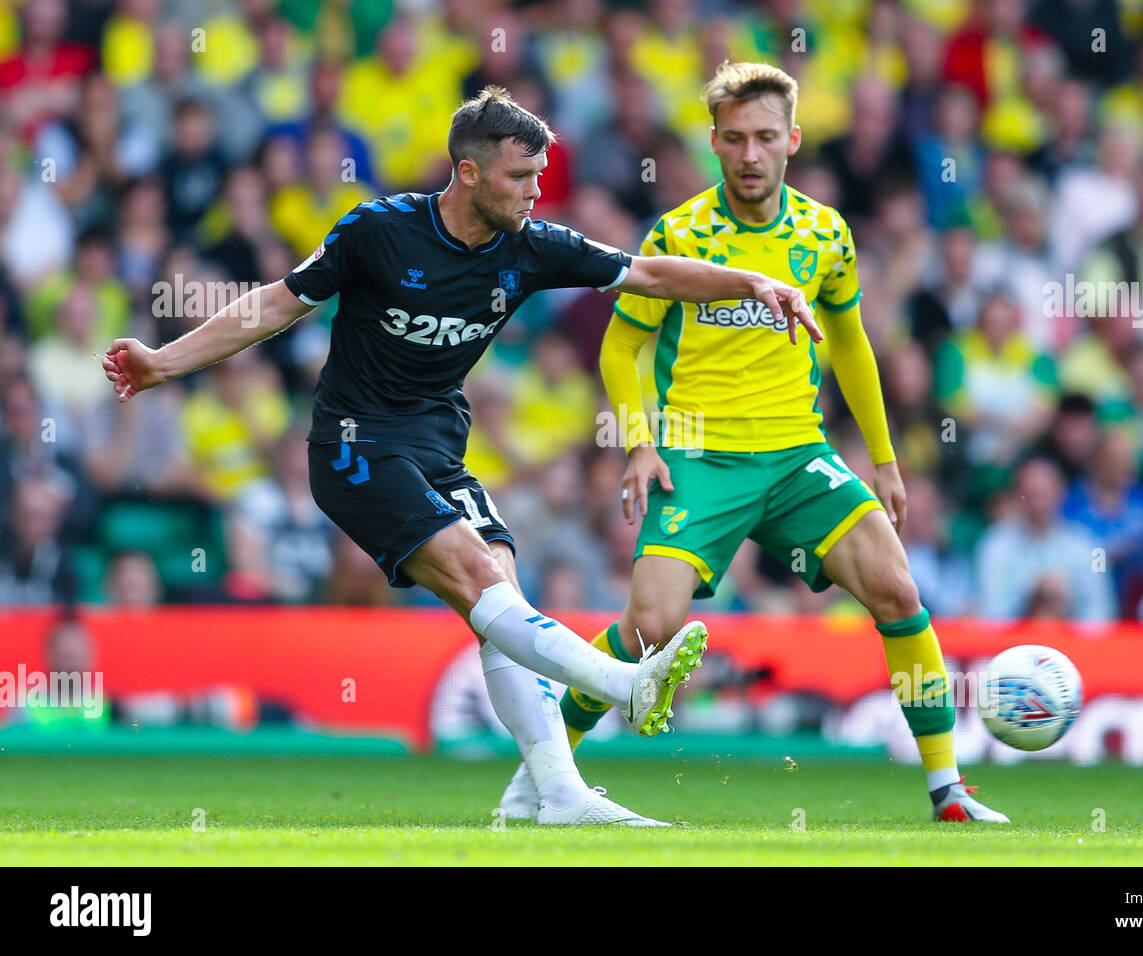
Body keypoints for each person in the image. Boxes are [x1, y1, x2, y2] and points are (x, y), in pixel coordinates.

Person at [102, 86, 819, 827]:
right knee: (482, 579)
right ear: (468, 174)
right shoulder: (378, 231)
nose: (536, 191)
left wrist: (755, 282)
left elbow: (650, 273)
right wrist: (164, 362)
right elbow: (278, 304)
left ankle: (557, 797)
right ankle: (623, 684)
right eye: (520, 177)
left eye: (541, 176)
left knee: (498, 597)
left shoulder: (532, 245)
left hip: (438, 445)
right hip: (355, 445)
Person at [498, 62, 1008, 825]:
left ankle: (949, 791)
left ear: (792, 140)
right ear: (713, 142)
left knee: (899, 592)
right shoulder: (678, 233)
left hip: (801, 457)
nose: (749, 154)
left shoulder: (825, 233)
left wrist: (886, 460)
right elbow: (619, 348)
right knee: (646, 630)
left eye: (765, 137)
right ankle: (541, 774)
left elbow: (853, 346)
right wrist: (640, 444)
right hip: (700, 459)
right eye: (733, 139)